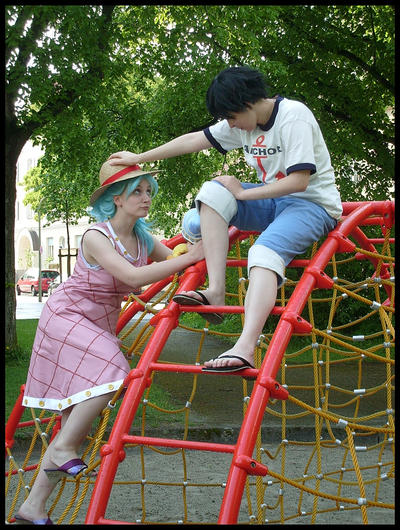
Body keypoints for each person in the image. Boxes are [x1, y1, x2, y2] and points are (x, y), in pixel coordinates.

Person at [108, 65, 342, 375]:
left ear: (247, 103)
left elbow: (299, 181)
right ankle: (215, 289)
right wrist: (139, 158)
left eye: (231, 117)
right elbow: (193, 141)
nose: (230, 125)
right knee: (212, 193)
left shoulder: (293, 116)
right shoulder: (241, 124)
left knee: (261, 252)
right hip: (272, 201)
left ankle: (246, 347)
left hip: (311, 205)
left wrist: (243, 195)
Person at [15, 161, 204, 525]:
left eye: (149, 191)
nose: (146, 197)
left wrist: (199, 251)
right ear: (115, 198)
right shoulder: (95, 236)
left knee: (76, 419)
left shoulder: (144, 238)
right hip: (66, 317)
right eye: (137, 191)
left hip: (98, 322)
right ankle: (64, 449)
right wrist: (188, 258)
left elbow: (176, 264)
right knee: (115, 371)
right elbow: (134, 275)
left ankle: (32, 506)